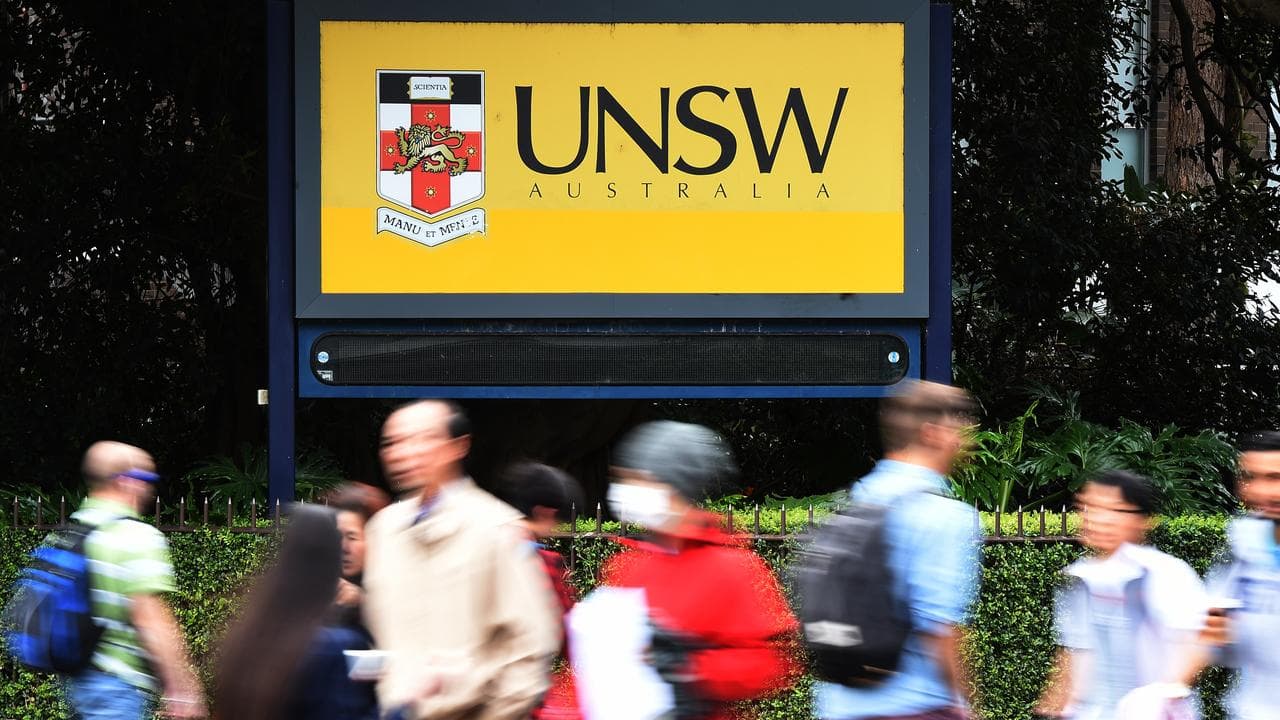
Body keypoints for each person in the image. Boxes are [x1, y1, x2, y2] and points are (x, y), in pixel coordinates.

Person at [580, 420, 799, 720]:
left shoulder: (732, 567)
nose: (625, 491)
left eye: (639, 479)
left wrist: (691, 666)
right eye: (622, 479)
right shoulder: (624, 566)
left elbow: (772, 664)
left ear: (674, 487)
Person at [363, 400, 560, 720]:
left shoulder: (496, 528)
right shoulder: (383, 530)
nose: (404, 452)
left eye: (424, 438)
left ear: (459, 446)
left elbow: (530, 645)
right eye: (393, 442)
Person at [816, 380, 981, 720]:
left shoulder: (859, 500)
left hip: (839, 705)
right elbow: (938, 628)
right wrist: (964, 703)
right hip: (911, 705)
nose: (963, 441)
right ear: (932, 433)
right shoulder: (943, 515)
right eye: (958, 430)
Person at [1036, 470, 1210, 720]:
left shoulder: (1166, 573)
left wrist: (1163, 693)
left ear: (1143, 520)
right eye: (1088, 508)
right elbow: (1076, 650)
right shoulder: (1078, 577)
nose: (1097, 519)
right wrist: (1057, 702)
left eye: (1114, 510)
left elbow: (1197, 643)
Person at [66, 441, 205, 720]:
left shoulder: (75, 529)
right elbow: (150, 620)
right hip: (117, 687)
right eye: (147, 478)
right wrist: (181, 687)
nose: (149, 487)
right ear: (126, 481)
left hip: (79, 681)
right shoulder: (135, 536)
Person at [214, 504, 377, 720]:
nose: (347, 547)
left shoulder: (250, 636)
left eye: (353, 537)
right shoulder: (338, 645)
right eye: (342, 539)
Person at [1200, 431, 1280, 719]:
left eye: (1274, 477)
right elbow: (1223, 646)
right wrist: (1219, 639)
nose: (1261, 491)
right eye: (1251, 478)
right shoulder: (1242, 542)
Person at [500, 461, 586, 720]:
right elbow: (566, 633)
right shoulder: (545, 564)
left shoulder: (478, 550)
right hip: (523, 697)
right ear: (545, 513)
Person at [325, 482, 390, 636]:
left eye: (352, 537)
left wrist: (362, 601)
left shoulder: (395, 579)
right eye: (337, 536)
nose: (343, 547)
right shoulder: (322, 581)